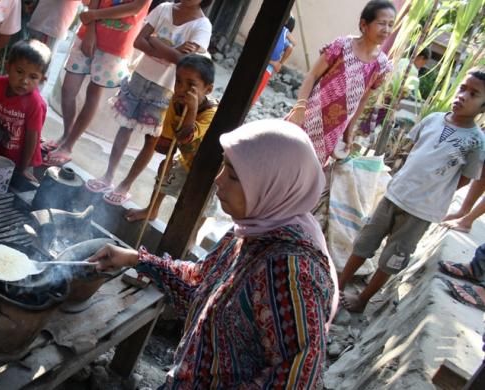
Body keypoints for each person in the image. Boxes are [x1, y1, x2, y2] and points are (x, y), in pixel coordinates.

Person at [89, 119, 337, 388]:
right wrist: (136, 259)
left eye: (233, 175)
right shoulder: (248, 232)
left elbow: (299, 376)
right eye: (224, 166)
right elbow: (200, 282)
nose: (218, 180)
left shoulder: (289, 271)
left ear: (272, 184)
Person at [338, 68, 485, 313]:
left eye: (474, 94)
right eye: (462, 88)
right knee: (365, 242)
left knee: (393, 258)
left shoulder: (476, 142)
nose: (463, 96)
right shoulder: (434, 119)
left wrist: (432, 193)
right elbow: (414, 152)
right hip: (394, 195)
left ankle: (362, 299)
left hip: (421, 212)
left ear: (483, 107)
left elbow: (464, 179)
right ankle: (339, 283)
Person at [83, 0, 212, 206]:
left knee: (151, 139)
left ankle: (125, 185)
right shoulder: (164, 9)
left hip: (167, 88)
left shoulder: (202, 26)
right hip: (140, 77)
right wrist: (172, 50)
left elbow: (185, 62)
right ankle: (108, 176)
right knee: (124, 127)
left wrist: (154, 41)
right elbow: (138, 42)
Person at [42, 0, 152, 166]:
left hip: (116, 45)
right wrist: (90, 30)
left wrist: (95, 15)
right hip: (87, 33)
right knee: (68, 89)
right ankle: (66, 134)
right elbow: (94, 3)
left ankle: (68, 145)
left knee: (93, 95)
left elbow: (134, 8)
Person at [285, 0, 394, 164]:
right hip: (308, 115)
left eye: (390, 25)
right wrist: (300, 107)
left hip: (333, 131)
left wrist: (348, 132)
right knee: (282, 154)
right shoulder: (342, 46)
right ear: (364, 24)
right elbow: (312, 75)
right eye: (381, 23)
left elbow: (362, 99)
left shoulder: (381, 65)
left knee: (307, 171)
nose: (386, 30)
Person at [123, 54, 216, 223]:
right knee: (164, 167)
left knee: (199, 206)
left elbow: (186, 137)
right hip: (187, 159)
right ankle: (152, 210)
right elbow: (168, 139)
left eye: (191, 85)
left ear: (208, 89)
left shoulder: (211, 113)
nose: (181, 88)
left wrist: (192, 108)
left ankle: (191, 237)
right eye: (178, 81)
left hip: (210, 169)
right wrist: (168, 158)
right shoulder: (175, 101)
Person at [0, 39, 51, 183]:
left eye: (33, 77)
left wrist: (24, 167)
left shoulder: (35, 103)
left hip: (17, 159)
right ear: (8, 67)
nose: (24, 81)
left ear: (42, 79)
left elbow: (33, 138)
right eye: (19, 72)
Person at [252, 15, 295, 105]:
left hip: (261, 66)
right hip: (267, 69)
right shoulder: (284, 33)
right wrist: (279, 63)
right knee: (253, 97)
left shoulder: (281, 33)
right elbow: (293, 44)